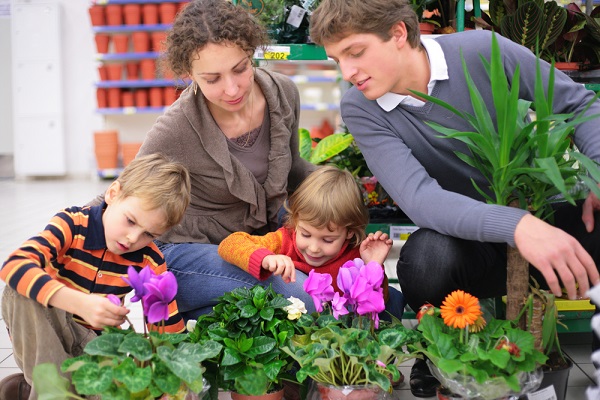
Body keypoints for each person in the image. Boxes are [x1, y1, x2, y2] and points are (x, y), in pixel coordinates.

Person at [309, 0, 600, 397]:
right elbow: (421, 199)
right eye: (336, 59)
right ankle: (443, 350)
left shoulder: (482, 51)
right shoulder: (362, 106)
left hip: (542, 216)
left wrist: (597, 176)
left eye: (355, 52)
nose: (348, 72)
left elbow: (579, 105)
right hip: (470, 241)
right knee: (424, 262)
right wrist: (517, 226)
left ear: (398, 34)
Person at [89, 0, 317, 322]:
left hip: (255, 244)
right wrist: (60, 240)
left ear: (252, 53)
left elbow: (292, 169)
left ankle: (191, 315)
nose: (233, 88)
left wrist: (340, 189)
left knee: (277, 307)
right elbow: (123, 193)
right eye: (212, 79)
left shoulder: (283, 93)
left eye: (240, 68)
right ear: (189, 75)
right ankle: (185, 304)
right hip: (187, 252)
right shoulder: (177, 128)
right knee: (304, 298)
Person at [0, 153, 191, 400]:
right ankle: (51, 390)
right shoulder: (71, 224)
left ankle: (36, 388)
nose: (133, 238)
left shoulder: (148, 259)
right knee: (19, 291)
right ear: (113, 194)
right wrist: (79, 303)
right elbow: (13, 265)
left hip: (96, 348)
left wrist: (171, 383)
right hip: (45, 335)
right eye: (131, 221)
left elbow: (168, 331)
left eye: (149, 234)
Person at [218, 166, 406, 320]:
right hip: (296, 329)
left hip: (341, 335)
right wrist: (265, 258)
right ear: (295, 221)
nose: (314, 248)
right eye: (306, 234)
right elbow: (230, 243)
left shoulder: (356, 255)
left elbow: (378, 303)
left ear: (349, 232)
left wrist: (373, 265)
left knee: (395, 300)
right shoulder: (284, 240)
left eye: (327, 239)